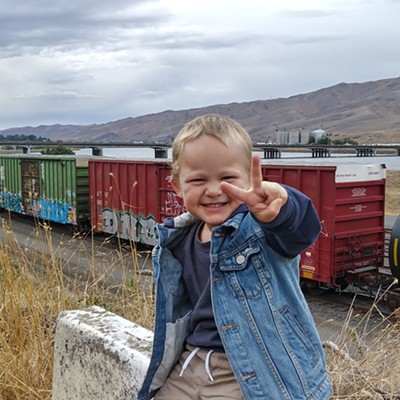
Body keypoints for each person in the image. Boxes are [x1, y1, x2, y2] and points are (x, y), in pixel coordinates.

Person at [137, 114, 332, 400]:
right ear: (177, 186)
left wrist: (283, 206)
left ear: (250, 180)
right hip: (192, 362)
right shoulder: (178, 240)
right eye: (198, 180)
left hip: (252, 367)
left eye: (228, 178)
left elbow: (302, 230)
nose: (214, 190)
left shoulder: (259, 229)